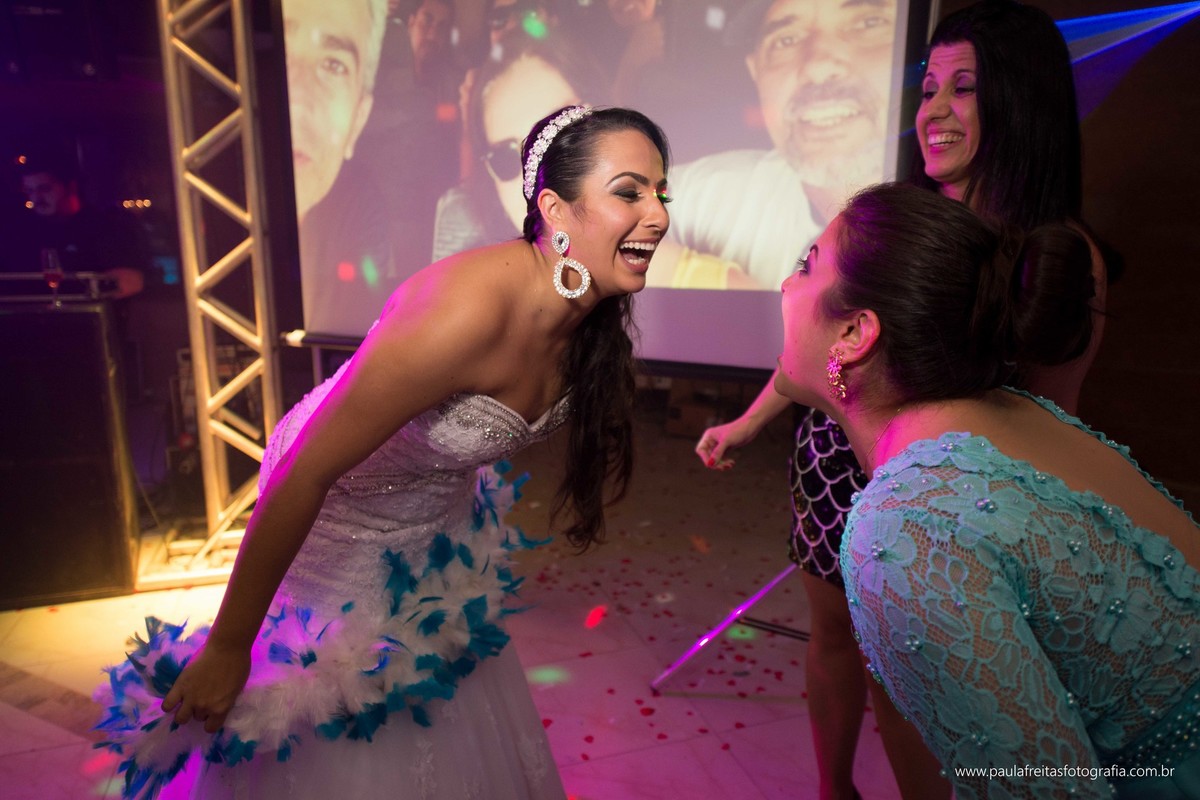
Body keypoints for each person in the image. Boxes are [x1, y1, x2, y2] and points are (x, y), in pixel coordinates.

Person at [95, 106, 672, 799]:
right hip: (336, 520)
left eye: (661, 193)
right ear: (554, 209)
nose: (658, 216)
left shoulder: (585, 315)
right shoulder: (459, 314)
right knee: (345, 725)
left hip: (434, 521)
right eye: (630, 192)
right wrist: (227, 646)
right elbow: (304, 473)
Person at [697, 3, 1109, 798]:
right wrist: (747, 423)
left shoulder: (1057, 255)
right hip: (832, 464)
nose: (935, 111)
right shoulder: (895, 218)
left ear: (1021, 100)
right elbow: (822, 336)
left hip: (941, 502)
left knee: (907, 675)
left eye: (965, 88)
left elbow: (1052, 426)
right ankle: (835, 789)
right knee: (832, 638)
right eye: (928, 90)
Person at [776, 181, 1199, 800]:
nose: (784, 286)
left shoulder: (904, 526)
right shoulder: (1018, 412)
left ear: (855, 334)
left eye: (805, 266)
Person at [668, 0, 900, 290]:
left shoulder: (951, 226)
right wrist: (698, 275)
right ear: (756, 72)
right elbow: (618, 203)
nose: (817, 67)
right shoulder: (711, 197)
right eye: (786, 41)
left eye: (868, 24)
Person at [284, 0, 399, 336]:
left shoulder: (362, 208)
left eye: (334, 65)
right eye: (282, 55)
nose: (297, 102)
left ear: (358, 121)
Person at [3, 153, 149, 299]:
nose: (37, 198)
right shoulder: (22, 233)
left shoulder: (103, 227)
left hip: (89, 311)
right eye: (30, 191)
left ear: (70, 187)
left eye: (45, 189)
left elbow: (130, 281)